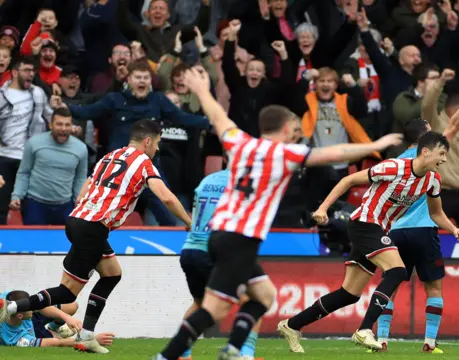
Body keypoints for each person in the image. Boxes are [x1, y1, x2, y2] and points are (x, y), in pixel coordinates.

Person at [154, 67, 403, 360]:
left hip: (223, 234)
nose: (297, 135)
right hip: (239, 238)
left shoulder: (239, 142)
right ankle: (167, 357)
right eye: (295, 130)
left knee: (265, 296)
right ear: (286, 129)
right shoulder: (283, 154)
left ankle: (234, 349)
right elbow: (332, 154)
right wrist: (374, 145)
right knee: (214, 309)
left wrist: (202, 90)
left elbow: (218, 116)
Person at [0, 119, 192, 354]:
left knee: (112, 274)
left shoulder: (109, 157)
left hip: (79, 221)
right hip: (92, 228)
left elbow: (84, 191)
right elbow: (168, 198)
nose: (157, 149)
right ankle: (14, 306)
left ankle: (88, 335)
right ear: (148, 141)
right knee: (68, 292)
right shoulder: (143, 162)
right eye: (158, 143)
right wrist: (189, 222)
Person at [278, 132, 459, 353]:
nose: (444, 159)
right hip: (364, 223)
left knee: (348, 294)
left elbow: (436, 213)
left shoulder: (432, 180)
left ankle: (292, 325)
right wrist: (322, 209)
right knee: (397, 271)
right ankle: (365, 329)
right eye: (442, 153)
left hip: (378, 230)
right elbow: (348, 180)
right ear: (425, 151)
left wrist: (454, 229)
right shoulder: (393, 168)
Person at [370, 72, 459, 353]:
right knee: (433, 288)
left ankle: (382, 338)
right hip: (424, 230)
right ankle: (430, 342)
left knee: (391, 287)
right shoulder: (431, 155)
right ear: (425, 138)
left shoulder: (393, 163)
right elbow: (457, 122)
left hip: (394, 232)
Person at [178, 162, 264, 360]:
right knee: (254, 300)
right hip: (215, 250)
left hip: (190, 249)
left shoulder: (207, 180)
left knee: (201, 304)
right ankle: (246, 354)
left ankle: (182, 353)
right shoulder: (240, 183)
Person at [0, 290, 114, 349]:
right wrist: (91, 340)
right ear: (20, 315)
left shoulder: (7, 300)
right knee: (57, 338)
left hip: (31, 318)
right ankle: (51, 332)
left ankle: (53, 328)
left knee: (72, 306)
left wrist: (67, 317)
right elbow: (59, 343)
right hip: (31, 332)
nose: (32, 306)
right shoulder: (18, 340)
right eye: (30, 307)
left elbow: (40, 306)